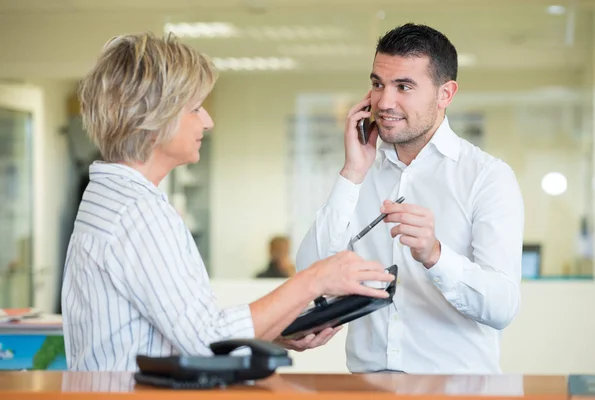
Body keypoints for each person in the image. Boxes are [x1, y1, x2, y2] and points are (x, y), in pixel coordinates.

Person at [60, 32, 394, 371]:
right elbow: (206, 342)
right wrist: (316, 280)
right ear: (154, 117)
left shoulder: (112, 197)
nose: (207, 121)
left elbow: (186, 331)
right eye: (195, 109)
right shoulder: (138, 213)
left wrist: (272, 329)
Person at [296, 23, 524, 374]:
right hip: (368, 387)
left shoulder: (487, 177)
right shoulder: (359, 170)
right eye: (377, 84)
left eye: (404, 86)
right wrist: (352, 173)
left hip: (457, 391)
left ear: (445, 94)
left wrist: (435, 255)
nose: (384, 102)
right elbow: (308, 274)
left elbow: (502, 307)